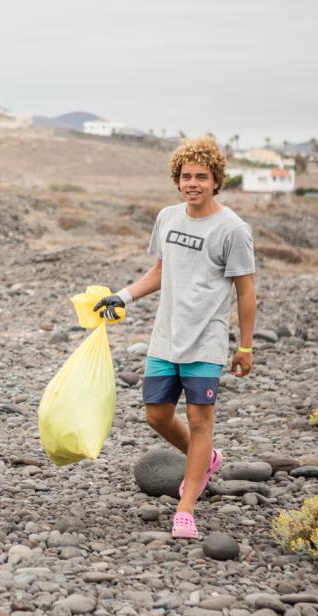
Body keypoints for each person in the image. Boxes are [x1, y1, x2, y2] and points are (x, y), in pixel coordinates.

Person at [93, 137, 256, 540]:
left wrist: (246, 345)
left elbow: (246, 290)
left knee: (201, 421)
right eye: (186, 177)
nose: (193, 183)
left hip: (206, 340)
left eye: (202, 176)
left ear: (217, 180)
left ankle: (186, 508)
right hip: (165, 337)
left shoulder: (233, 229)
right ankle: (206, 460)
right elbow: (160, 270)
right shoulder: (167, 218)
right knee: (157, 415)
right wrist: (123, 295)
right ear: (177, 180)